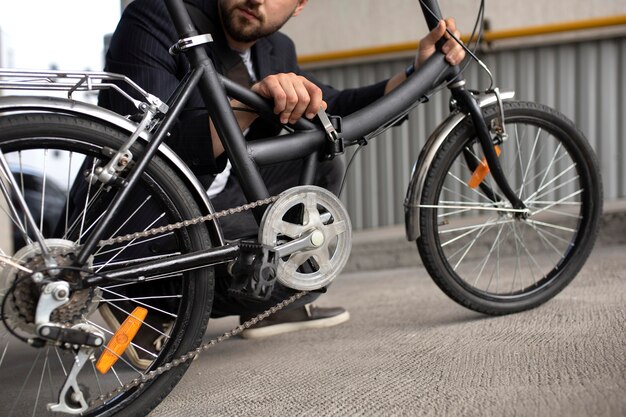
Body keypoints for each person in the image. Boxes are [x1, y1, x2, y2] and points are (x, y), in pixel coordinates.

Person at [98, 0, 465, 347]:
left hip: (215, 211)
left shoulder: (275, 48)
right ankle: (138, 299)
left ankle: (265, 306)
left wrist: (416, 72)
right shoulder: (158, 17)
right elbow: (145, 149)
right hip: (142, 225)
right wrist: (247, 105)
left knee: (320, 159)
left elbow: (333, 109)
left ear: (300, 4)